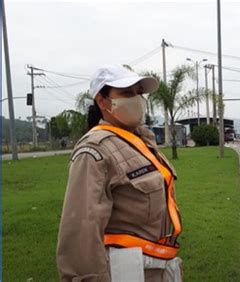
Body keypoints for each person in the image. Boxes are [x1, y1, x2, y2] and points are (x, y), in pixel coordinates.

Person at [56, 65, 183, 282]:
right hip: (126, 271)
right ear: (102, 101)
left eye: (138, 93)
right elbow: (81, 232)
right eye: (126, 93)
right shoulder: (94, 150)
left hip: (157, 268)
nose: (136, 99)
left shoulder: (141, 140)